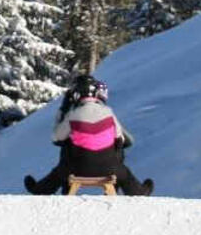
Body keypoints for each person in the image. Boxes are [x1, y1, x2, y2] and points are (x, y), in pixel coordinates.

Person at [23, 74, 153, 197]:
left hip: (76, 168)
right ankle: (140, 192)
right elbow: (121, 139)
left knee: (61, 166)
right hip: (109, 169)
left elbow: (56, 138)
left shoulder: (73, 115)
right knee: (124, 172)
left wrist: (63, 110)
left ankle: (40, 189)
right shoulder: (108, 113)